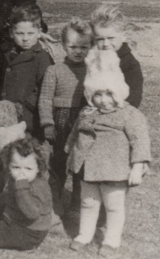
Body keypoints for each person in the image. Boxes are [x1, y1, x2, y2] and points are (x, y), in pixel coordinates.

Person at [66, 49, 151, 256]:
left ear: (119, 91)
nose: (104, 100)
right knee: (88, 203)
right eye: (98, 94)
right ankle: (85, 235)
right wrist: (69, 148)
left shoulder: (130, 114)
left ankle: (111, 240)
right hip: (88, 167)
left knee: (113, 206)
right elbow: (76, 131)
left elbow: (140, 141)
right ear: (90, 94)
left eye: (109, 94)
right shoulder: (87, 112)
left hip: (115, 169)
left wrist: (137, 166)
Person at [39, 18, 93, 209]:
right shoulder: (54, 70)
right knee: (58, 164)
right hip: (61, 121)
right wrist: (47, 123)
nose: (78, 51)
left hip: (83, 119)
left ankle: (77, 204)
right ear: (63, 46)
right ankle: (54, 202)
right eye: (72, 46)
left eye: (83, 47)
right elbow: (45, 98)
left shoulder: (92, 71)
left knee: (82, 163)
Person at [1, 4, 52, 136]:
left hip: (27, 118)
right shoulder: (7, 53)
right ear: (11, 33)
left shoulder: (41, 57)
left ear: (39, 33)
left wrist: (26, 105)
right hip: (4, 114)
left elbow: (45, 87)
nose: (25, 38)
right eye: (19, 33)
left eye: (30, 33)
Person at [89, 3, 144, 108]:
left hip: (119, 115)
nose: (105, 44)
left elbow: (133, 100)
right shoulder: (94, 59)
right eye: (100, 39)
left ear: (124, 36)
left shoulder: (130, 64)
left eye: (111, 38)